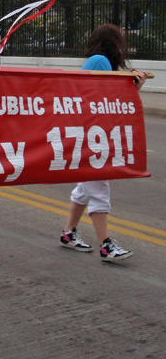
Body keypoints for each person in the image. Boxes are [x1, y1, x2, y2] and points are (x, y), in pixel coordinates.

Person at [59, 24, 147, 262]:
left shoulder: (98, 61)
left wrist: (132, 86)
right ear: (112, 43)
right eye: (121, 41)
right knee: (98, 188)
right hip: (90, 134)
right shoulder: (100, 61)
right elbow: (104, 102)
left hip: (88, 131)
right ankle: (106, 245)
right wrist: (132, 88)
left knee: (85, 189)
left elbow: (106, 100)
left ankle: (68, 233)